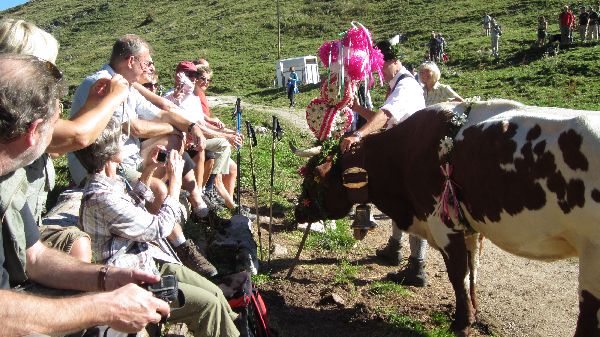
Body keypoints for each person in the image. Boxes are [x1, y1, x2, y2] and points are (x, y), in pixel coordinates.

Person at [0, 53, 170, 335]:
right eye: (55, 123)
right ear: (33, 132)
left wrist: (105, 277)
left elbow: (35, 257)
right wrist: (104, 307)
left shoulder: (7, 178)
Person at [67, 34, 218, 277]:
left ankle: (184, 203)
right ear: (131, 61)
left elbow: (160, 113)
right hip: (97, 162)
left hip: (123, 156)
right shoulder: (104, 83)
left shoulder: (124, 84)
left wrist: (191, 128)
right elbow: (134, 127)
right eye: (146, 63)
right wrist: (174, 127)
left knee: (176, 139)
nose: (149, 68)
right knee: (157, 188)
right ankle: (182, 248)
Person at [75, 119, 239, 337]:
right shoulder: (100, 197)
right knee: (208, 305)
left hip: (147, 263)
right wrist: (175, 184)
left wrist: (149, 170)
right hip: (132, 280)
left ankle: (240, 327)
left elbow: (132, 205)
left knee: (216, 292)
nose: (125, 144)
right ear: (108, 152)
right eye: (120, 140)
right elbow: (159, 228)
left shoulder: (111, 183)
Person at [0, 18, 130, 262]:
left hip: (24, 227)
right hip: (12, 238)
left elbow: (57, 146)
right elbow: (79, 136)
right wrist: (113, 99)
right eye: (46, 69)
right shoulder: (14, 117)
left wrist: (92, 103)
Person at [340, 40, 429, 287]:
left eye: (381, 68)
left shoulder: (407, 86)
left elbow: (387, 115)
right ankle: (395, 248)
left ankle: (417, 266)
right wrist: (357, 108)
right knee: (399, 202)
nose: (379, 74)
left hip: (414, 155)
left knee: (412, 206)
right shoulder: (396, 85)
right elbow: (385, 118)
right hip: (404, 153)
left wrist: (358, 134)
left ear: (394, 62)